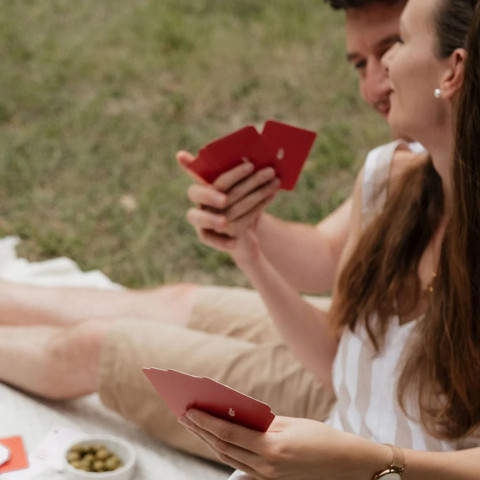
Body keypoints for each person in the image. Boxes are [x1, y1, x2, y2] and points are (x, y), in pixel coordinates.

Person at [0, 0, 410, 462]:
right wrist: (245, 223)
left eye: (394, 48)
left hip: (358, 392)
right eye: (360, 64)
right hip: (352, 342)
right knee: (173, 302)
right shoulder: (404, 159)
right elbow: (328, 255)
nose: (372, 87)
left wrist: (251, 258)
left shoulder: (438, 174)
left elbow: (347, 368)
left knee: (93, 346)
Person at [178, 0, 480, 477]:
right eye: (361, 62)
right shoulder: (388, 180)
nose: (380, 74)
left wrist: (377, 463)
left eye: (399, 41)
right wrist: (250, 253)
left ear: (453, 70)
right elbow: (344, 362)